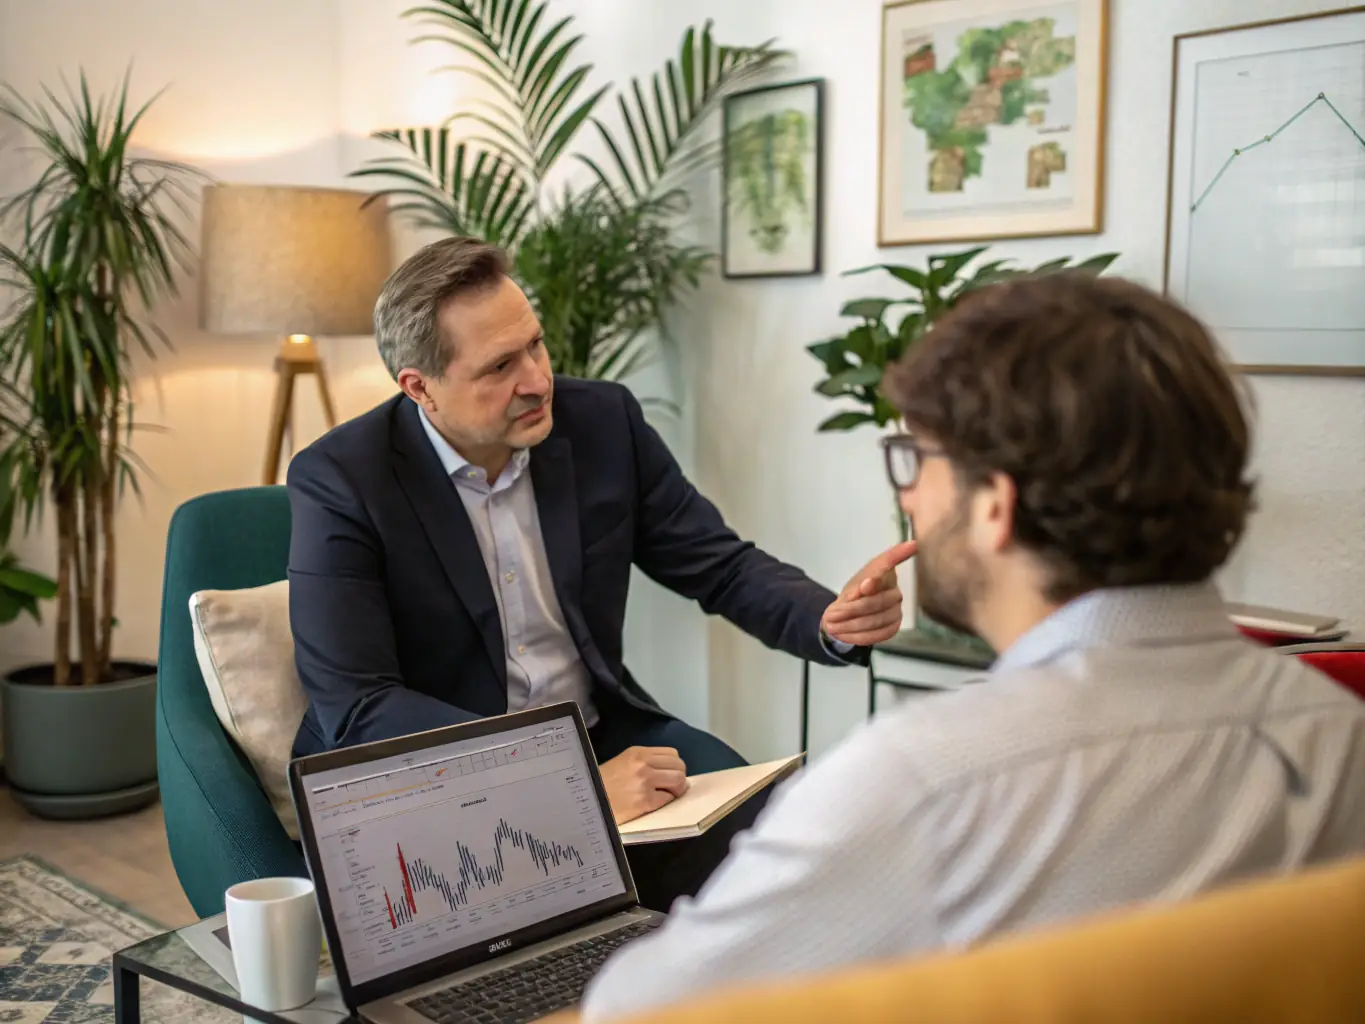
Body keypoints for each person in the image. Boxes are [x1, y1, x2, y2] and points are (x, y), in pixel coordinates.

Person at [580, 272, 1365, 1021]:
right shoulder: (1339, 738)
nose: (907, 493)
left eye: (914, 460)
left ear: (994, 506)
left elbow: (632, 1012)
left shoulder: (919, 785)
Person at [285, 236, 912, 912]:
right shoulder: (343, 478)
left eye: (535, 345)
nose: (536, 379)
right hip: (434, 772)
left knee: (785, 840)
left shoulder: (600, 421)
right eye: (500, 366)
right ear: (419, 388)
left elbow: (716, 563)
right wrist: (565, 785)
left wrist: (826, 620)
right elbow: (359, 707)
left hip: (599, 731)